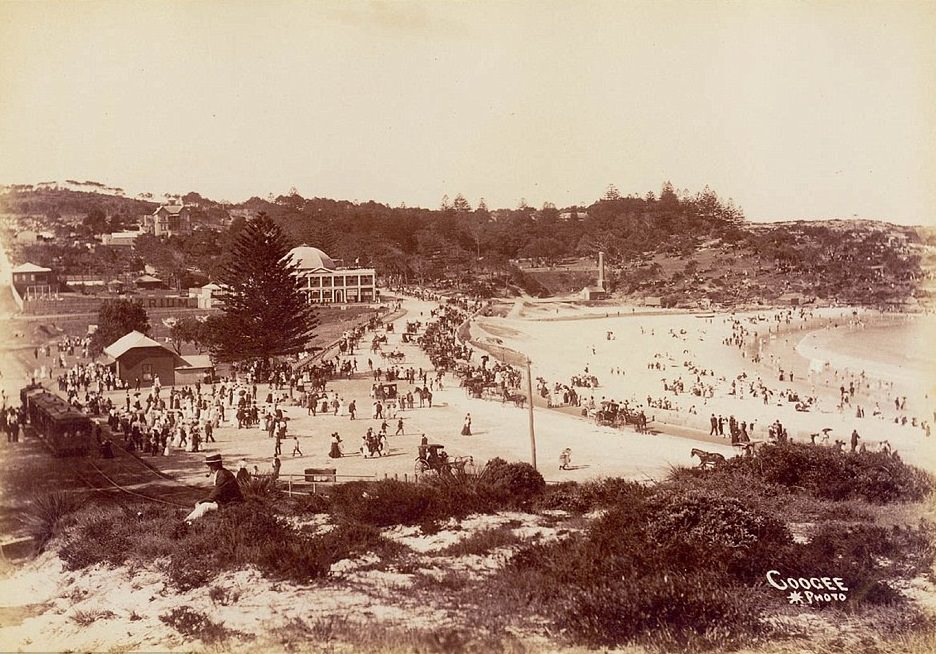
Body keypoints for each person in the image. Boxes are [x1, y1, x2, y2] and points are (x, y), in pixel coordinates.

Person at [185, 453, 243, 522]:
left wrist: (201, 502)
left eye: (209, 464)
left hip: (232, 504)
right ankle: (193, 521)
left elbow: (214, 494)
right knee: (204, 505)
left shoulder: (223, 476)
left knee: (204, 506)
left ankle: (186, 521)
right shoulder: (222, 472)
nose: (208, 467)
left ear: (215, 465)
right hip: (226, 501)